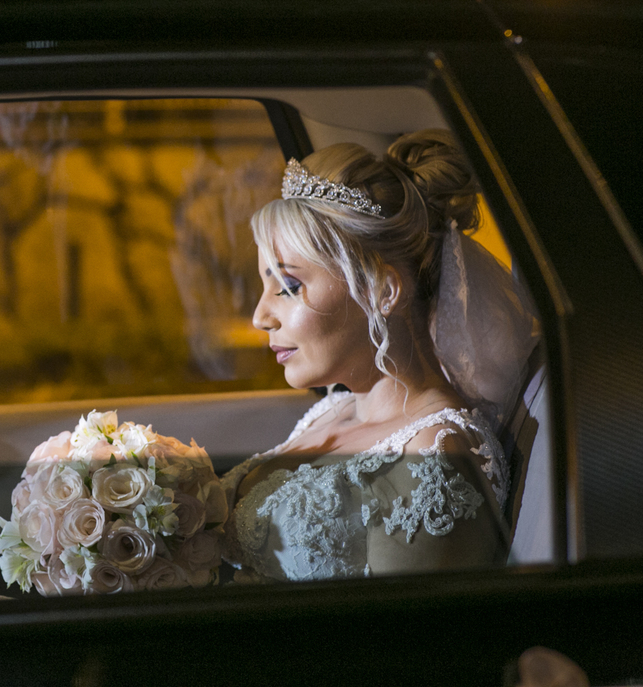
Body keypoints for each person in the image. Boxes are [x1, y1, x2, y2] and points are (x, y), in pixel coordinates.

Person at [220, 129, 538, 582]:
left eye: (288, 287)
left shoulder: (434, 456)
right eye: (264, 285)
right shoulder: (332, 408)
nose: (259, 316)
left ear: (382, 291)